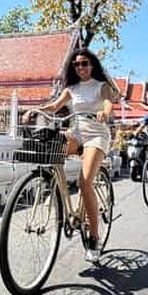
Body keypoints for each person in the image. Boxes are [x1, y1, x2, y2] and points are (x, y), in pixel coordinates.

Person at [23, 48, 114, 263]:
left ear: (92, 65)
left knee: (85, 183)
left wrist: (104, 113)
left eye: (84, 63)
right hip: (76, 133)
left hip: (96, 135)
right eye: (76, 64)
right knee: (51, 150)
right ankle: (55, 191)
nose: (80, 67)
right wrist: (35, 110)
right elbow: (54, 106)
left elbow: (109, 103)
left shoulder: (102, 87)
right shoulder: (71, 88)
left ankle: (94, 238)